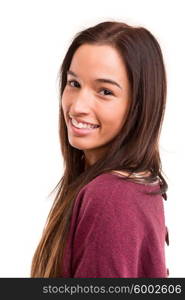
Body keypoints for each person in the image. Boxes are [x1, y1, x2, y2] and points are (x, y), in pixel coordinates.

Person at [30, 21, 169, 278]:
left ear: (139, 106)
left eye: (105, 91)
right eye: (74, 84)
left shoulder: (110, 196)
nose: (78, 106)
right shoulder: (136, 185)